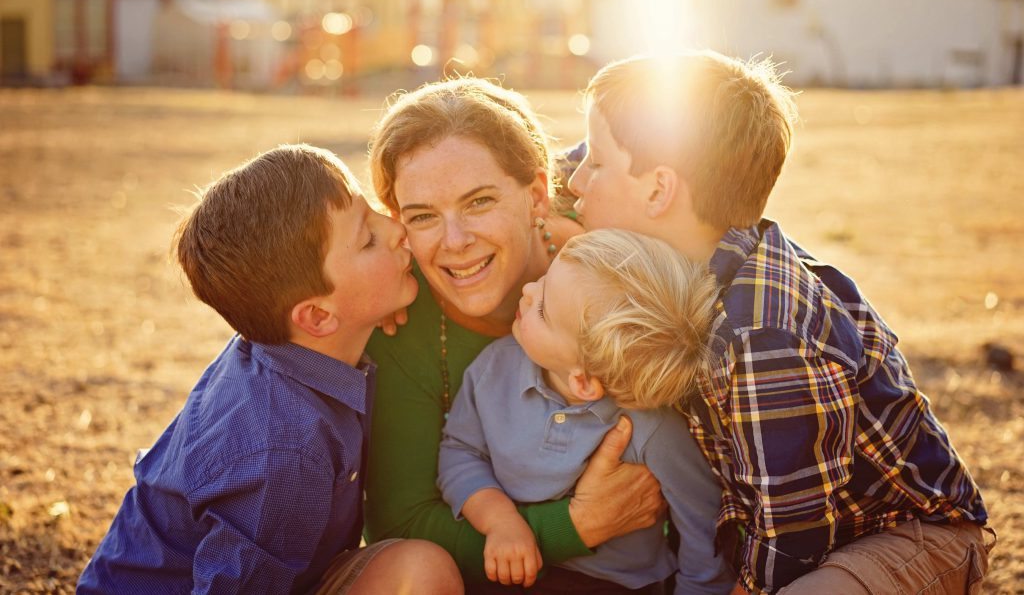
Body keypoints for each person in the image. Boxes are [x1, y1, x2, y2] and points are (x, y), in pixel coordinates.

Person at [567, 51, 993, 594]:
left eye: (594, 164)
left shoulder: (761, 339)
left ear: (658, 190)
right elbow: (567, 172)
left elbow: (792, 542)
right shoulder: (706, 241)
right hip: (799, 527)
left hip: (906, 536)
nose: (575, 180)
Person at [78, 145, 462, 594]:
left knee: (415, 565)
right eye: (367, 239)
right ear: (317, 317)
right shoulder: (282, 450)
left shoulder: (295, 343)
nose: (396, 228)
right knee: (418, 576)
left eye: (372, 212)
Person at [364, 78, 667, 587]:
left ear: (537, 194)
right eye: (423, 216)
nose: (455, 242)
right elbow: (401, 523)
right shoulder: (395, 318)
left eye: (479, 201)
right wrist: (572, 526)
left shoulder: (617, 260)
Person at [438, 229, 735, 594]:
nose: (529, 290)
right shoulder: (493, 369)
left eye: (544, 309)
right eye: (545, 279)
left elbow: (702, 523)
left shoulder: (652, 429)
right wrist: (500, 522)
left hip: (620, 584)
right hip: (514, 573)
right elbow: (460, 453)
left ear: (582, 383)